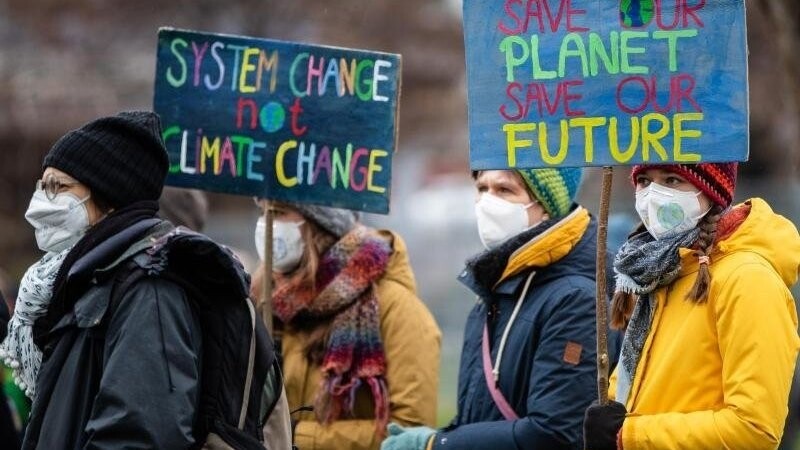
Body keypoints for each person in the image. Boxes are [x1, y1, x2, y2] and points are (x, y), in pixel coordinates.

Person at [3, 111, 278, 449]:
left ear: (107, 195)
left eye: (58, 186)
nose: (41, 202)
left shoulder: (149, 289)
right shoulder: (89, 281)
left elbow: (140, 435)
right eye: (42, 186)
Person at [383, 167, 604, 450]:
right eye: (481, 188)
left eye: (504, 190)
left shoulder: (575, 300)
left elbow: (554, 433)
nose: (488, 202)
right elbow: (479, 414)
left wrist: (437, 444)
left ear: (547, 206)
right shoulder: (493, 289)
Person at [583, 163, 800, 450]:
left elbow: (754, 429)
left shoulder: (748, 280)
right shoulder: (662, 270)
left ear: (712, 191)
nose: (653, 195)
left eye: (672, 180)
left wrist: (629, 436)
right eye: (644, 181)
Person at [251, 200, 441, 450]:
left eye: (278, 213)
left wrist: (295, 436)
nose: (266, 224)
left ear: (320, 222)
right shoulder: (268, 298)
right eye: (263, 212)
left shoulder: (398, 310)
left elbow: (410, 431)